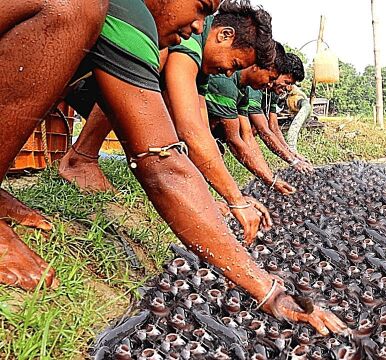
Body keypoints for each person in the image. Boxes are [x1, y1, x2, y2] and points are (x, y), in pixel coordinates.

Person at [1, 0, 346, 336]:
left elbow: (167, 158)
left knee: (131, 72)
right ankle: (81, 158)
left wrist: (268, 290)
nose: (198, 26)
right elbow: (181, 147)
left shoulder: (139, 25)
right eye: (201, 8)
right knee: (75, 7)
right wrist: (237, 203)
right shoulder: (148, 26)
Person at [59, 1, 276, 243]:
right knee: (157, 57)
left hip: (105, 87)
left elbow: (200, 129)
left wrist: (208, 194)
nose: (228, 74)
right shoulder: (191, 44)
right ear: (224, 35)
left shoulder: (202, 67)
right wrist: (237, 201)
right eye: (234, 65)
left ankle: (83, 158)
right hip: (87, 78)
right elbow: (190, 130)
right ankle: (83, 157)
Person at [205, 43, 298, 195]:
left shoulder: (244, 91)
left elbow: (247, 135)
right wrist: (268, 180)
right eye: (270, 78)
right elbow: (234, 141)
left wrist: (270, 178)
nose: (270, 84)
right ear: (256, 67)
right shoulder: (226, 85)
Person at [245, 53, 313, 171]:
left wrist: (292, 153)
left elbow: (274, 127)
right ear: (278, 71)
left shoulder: (273, 93)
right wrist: (292, 161)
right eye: (287, 82)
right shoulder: (256, 87)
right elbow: (264, 131)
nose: (288, 88)